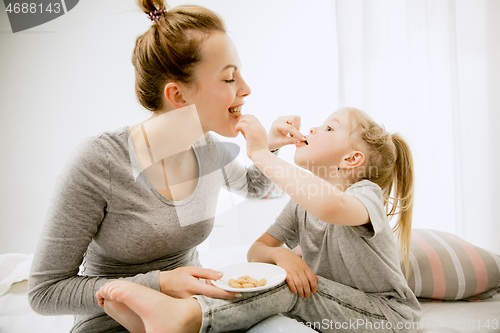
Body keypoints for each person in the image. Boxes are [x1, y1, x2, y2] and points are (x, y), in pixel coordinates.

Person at [27, 1, 308, 332]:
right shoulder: (100, 162)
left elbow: (255, 188)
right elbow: (44, 293)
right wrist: (159, 283)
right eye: (230, 77)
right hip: (113, 322)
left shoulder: (208, 149)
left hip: (196, 312)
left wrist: (270, 147)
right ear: (178, 95)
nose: (246, 89)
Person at [95, 106, 423, 333]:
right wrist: (280, 255)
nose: (312, 129)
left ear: (352, 159)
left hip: (385, 319)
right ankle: (172, 318)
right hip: (335, 310)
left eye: (328, 127)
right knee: (271, 278)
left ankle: (185, 317)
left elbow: (331, 207)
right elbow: (258, 249)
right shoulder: (302, 204)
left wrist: (262, 153)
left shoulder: (365, 195)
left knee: (291, 290)